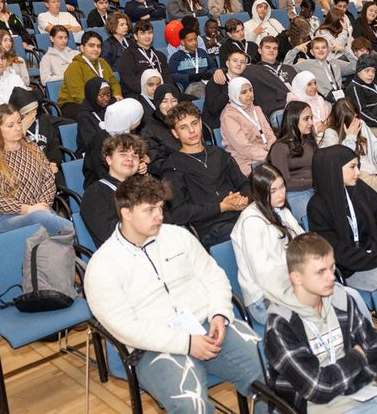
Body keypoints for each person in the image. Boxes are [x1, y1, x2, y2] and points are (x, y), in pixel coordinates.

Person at [84, 174, 265, 414]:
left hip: (209, 326)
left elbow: (214, 276)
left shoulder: (178, 236)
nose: (159, 216)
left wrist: (220, 314)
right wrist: (186, 343)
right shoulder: (102, 265)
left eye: (160, 207)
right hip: (154, 347)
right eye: (149, 210)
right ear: (126, 213)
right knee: (192, 407)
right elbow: (124, 327)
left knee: (273, 377)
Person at [264, 232, 377, 414]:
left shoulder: (341, 298)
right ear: (296, 277)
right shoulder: (280, 324)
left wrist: (338, 383)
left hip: (365, 397)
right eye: (321, 272)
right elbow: (318, 389)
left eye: (332, 267)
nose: (331, 277)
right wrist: (358, 356)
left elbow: (376, 354)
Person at [307, 145, 377, 292]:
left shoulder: (358, 187)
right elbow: (337, 252)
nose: (358, 172)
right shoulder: (317, 207)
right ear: (334, 170)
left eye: (358, 166)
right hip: (351, 268)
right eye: (352, 167)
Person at [162, 102, 250, 248]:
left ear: (201, 123)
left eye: (194, 123)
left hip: (241, 215)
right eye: (184, 127)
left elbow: (245, 184)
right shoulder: (173, 167)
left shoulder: (218, 154)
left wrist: (242, 198)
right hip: (211, 228)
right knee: (248, 232)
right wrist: (221, 207)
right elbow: (179, 212)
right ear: (175, 133)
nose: (192, 130)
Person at [0, 104, 70, 235]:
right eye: (10, 125)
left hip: (40, 210)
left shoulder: (33, 148)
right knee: (44, 221)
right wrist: (28, 209)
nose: (18, 128)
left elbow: (48, 179)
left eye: (19, 122)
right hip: (5, 218)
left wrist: (42, 205)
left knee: (45, 222)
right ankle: (82, 235)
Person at [230, 164, 305, 326]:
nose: (281, 194)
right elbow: (263, 274)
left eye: (282, 187)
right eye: (273, 191)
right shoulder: (251, 222)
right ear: (260, 193)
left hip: (292, 284)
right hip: (264, 299)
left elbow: (303, 242)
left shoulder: (281, 210)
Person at [79, 133, 148, 248]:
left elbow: (167, 219)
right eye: (123, 154)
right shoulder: (95, 193)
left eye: (135, 155)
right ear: (109, 159)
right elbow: (110, 234)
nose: (130, 158)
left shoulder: (145, 187)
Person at [320, 98, 377, 193]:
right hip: (357, 179)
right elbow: (339, 163)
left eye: (356, 117)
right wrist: (350, 137)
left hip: (375, 172)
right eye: (351, 120)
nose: (355, 122)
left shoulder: (361, 123)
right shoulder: (331, 133)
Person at [58, 31, 122, 118]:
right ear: (82, 48)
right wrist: (102, 103)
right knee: (93, 115)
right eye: (91, 46)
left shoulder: (102, 62)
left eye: (99, 46)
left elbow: (113, 82)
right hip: (73, 104)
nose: (96, 49)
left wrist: (117, 95)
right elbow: (78, 95)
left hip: (101, 100)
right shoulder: (74, 66)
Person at [220, 77, 274, 177]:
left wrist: (274, 151)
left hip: (267, 153)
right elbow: (243, 146)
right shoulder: (228, 116)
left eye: (250, 90)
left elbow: (269, 134)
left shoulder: (256, 109)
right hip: (245, 159)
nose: (249, 94)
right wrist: (269, 156)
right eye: (244, 92)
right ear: (235, 94)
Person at [242, 36, 297, 117]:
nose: (272, 50)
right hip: (277, 111)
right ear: (260, 50)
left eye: (275, 48)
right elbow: (233, 69)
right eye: (268, 47)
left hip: (299, 106)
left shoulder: (289, 68)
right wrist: (220, 70)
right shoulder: (251, 70)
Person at [117, 20, 173, 97]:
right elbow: (129, 80)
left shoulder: (160, 56)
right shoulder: (128, 55)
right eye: (143, 33)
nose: (147, 36)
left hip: (160, 93)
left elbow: (167, 78)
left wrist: (164, 91)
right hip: (138, 95)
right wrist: (148, 92)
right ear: (136, 36)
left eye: (150, 33)